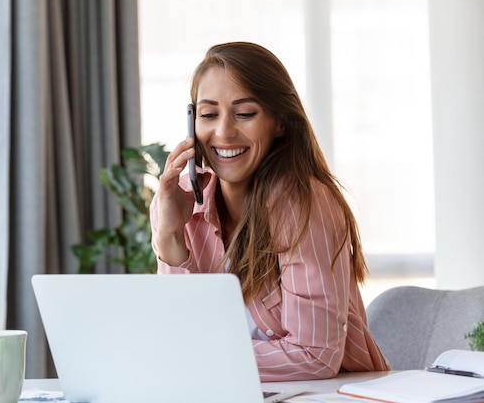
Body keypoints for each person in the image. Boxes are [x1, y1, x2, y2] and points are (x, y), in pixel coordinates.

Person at [150, 42, 390, 381]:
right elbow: (176, 335)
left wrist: (202, 359)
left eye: (245, 113)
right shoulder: (178, 200)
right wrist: (171, 238)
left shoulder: (304, 204)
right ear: (192, 124)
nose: (223, 132)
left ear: (279, 123)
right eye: (208, 115)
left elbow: (315, 356)